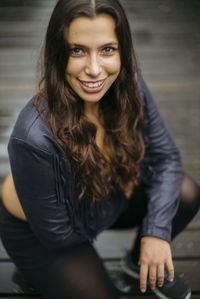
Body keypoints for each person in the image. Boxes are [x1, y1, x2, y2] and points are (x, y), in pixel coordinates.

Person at [0, 0, 199, 298]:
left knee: (185, 191)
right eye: (77, 50)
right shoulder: (33, 138)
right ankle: (35, 272)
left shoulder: (129, 83)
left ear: (123, 50)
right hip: (47, 232)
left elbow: (167, 158)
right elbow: (59, 234)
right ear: (57, 53)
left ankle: (138, 264)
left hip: (104, 193)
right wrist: (131, 192)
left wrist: (154, 233)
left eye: (107, 49)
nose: (94, 70)